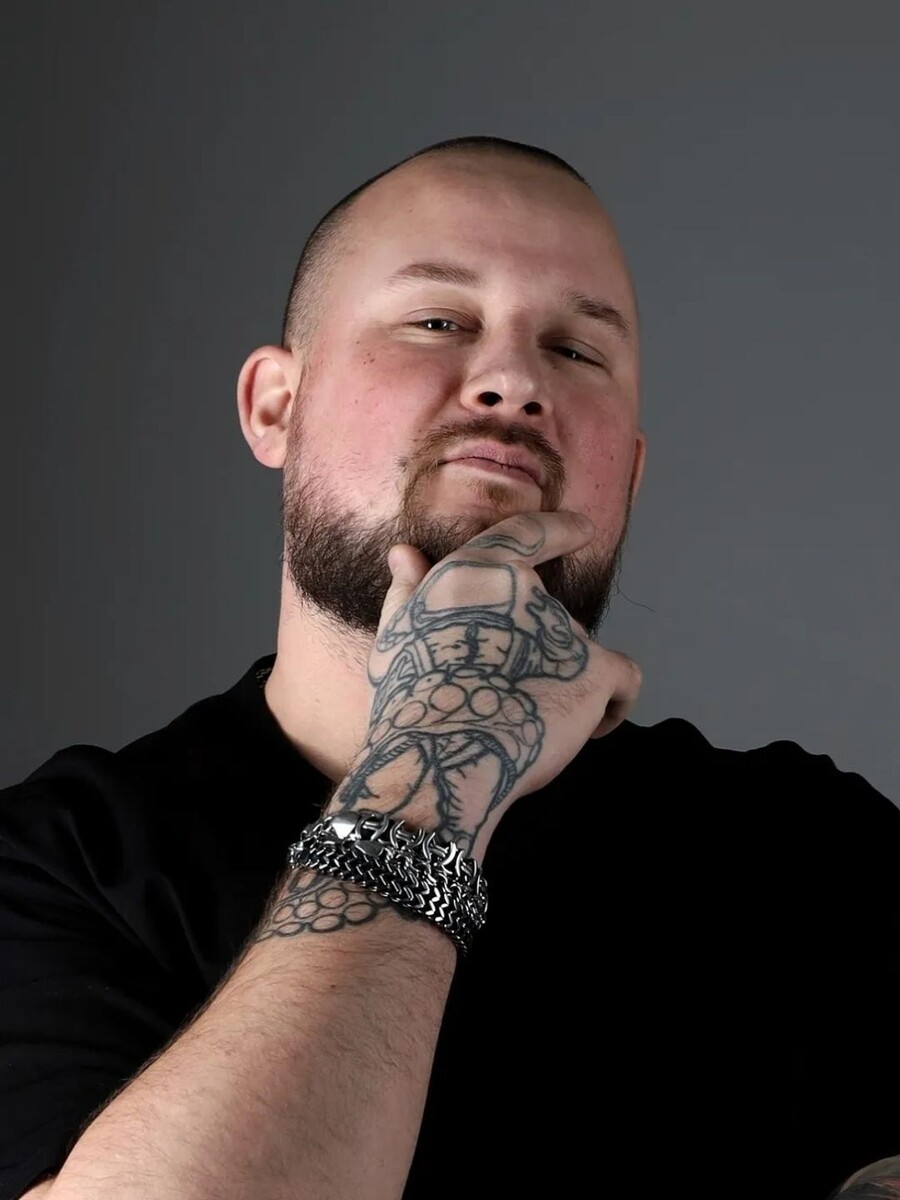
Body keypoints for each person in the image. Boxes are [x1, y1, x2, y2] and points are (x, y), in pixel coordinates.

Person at [1, 135, 897, 1200]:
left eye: (578, 350)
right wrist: (440, 752)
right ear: (276, 406)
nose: (515, 381)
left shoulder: (812, 848)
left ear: (630, 473)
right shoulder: (58, 867)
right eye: (439, 321)